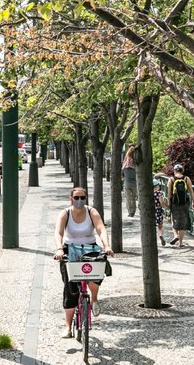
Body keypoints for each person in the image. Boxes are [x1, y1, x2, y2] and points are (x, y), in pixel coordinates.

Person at [53, 187, 114, 337]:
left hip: (90, 248)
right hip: (70, 249)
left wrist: (106, 246)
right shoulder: (65, 214)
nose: (79, 201)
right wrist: (59, 249)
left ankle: (94, 299)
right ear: (71, 199)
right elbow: (58, 232)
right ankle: (68, 327)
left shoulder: (91, 212)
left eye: (82, 198)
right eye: (76, 198)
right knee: (70, 288)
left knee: (96, 272)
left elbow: (101, 229)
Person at [168, 164, 194, 247]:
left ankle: (175, 235)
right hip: (184, 202)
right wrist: (193, 202)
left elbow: (169, 193)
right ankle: (180, 243)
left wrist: (169, 203)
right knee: (183, 222)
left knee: (173, 219)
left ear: (174, 170)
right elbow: (191, 191)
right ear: (182, 170)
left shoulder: (171, 179)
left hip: (175, 202)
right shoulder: (186, 178)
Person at [121, 144, 137, 217]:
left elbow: (122, 174)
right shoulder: (136, 164)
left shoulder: (125, 165)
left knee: (128, 198)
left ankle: (130, 212)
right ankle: (133, 211)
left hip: (127, 183)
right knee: (133, 198)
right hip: (135, 184)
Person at [153, 178, 168, 246]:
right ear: (156, 186)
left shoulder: (148, 193)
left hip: (151, 210)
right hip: (158, 210)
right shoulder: (159, 193)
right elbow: (161, 202)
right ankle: (160, 235)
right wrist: (166, 206)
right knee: (160, 225)